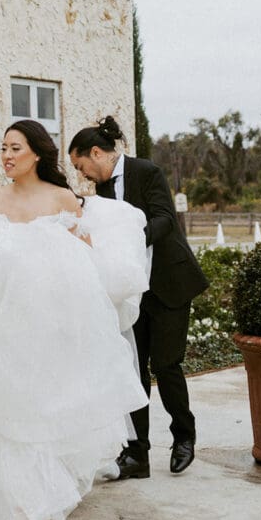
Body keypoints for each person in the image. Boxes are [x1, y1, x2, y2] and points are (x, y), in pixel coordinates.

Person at [0, 119, 148, 520]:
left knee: (42, 411)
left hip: (52, 324)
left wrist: (104, 300)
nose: (7, 156)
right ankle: (23, 512)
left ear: (36, 153)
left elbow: (84, 258)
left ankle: (33, 505)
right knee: (9, 411)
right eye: (3, 149)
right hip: (2, 324)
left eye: (15, 148)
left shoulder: (62, 199)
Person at [69, 116, 209, 479]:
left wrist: (127, 240)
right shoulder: (98, 196)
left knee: (166, 364)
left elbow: (164, 219)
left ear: (97, 153)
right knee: (132, 370)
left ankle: (184, 437)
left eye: (81, 166)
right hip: (131, 292)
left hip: (168, 282)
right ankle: (137, 455)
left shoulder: (146, 171)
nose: (82, 175)